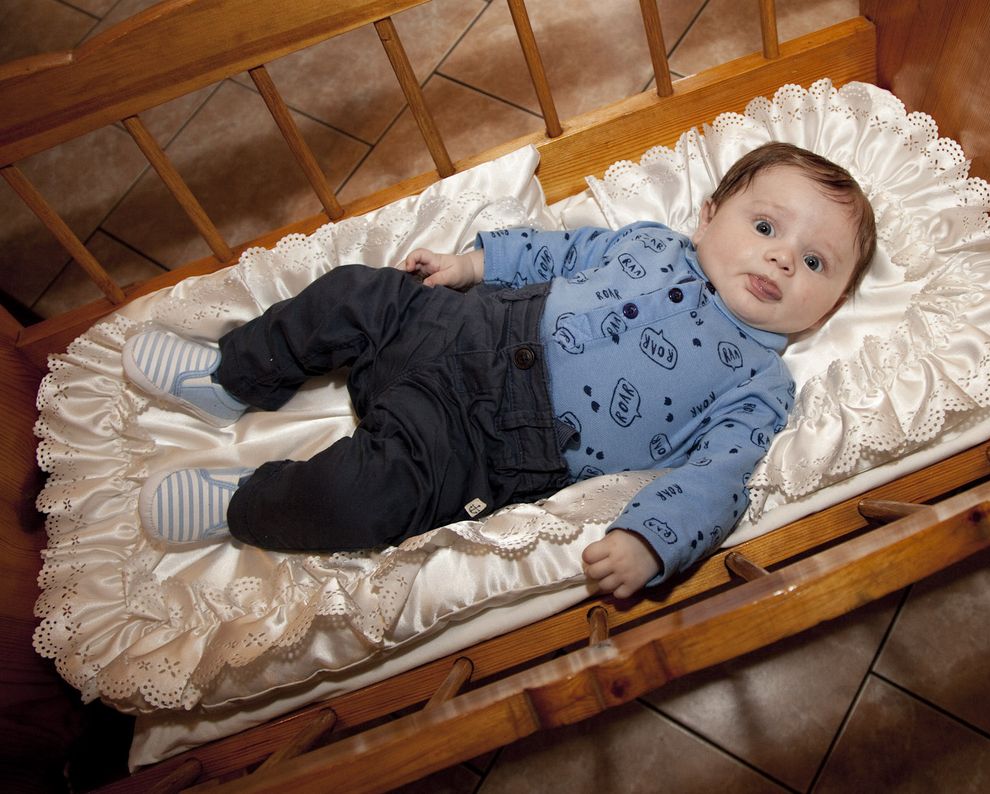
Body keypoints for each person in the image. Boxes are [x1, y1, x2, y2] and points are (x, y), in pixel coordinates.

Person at [123, 142, 876, 598]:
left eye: (815, 262)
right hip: (458, 323)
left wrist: (653, 540)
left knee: (367, 497)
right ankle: (231, 378)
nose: (782, 257)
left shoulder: (760, 384)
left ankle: (242, 504)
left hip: (485, 443)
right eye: (766, 225)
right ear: (707, 216)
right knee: (354, 291)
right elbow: (559, 251)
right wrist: (471, 265)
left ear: (833, 306)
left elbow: (720, 477)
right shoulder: (649, 243)